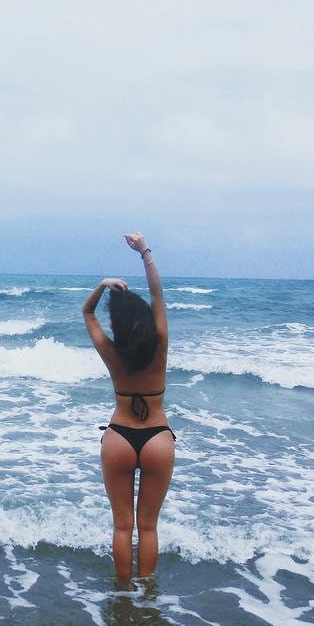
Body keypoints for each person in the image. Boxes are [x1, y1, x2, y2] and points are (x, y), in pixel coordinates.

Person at [82, 232, 173, 580]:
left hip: (118, 437)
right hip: (158, 438)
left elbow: (88, 312)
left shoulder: (112, 351)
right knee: (148, 527)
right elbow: (157, 294)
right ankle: (146, 597)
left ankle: (123, 594)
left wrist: (102, 286)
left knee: (122, 526)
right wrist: (144, 250)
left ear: (117, 325)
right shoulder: (160, 343)